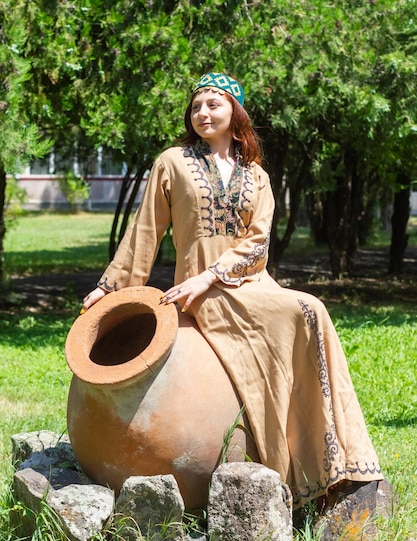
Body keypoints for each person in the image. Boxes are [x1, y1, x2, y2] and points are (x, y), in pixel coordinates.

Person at [82, 72, 382, 508]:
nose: (203, 112)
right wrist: (109, 289)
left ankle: (338, 460)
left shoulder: (256, 176)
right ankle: (294, 468)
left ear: (234, 112)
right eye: (196, 105)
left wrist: (213, 274)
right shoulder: (173, 162)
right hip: (197, 292)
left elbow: (259, 240)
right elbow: (144, 231)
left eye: (213, 104)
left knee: (310, 310)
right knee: (308, 308)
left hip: (246, 283)